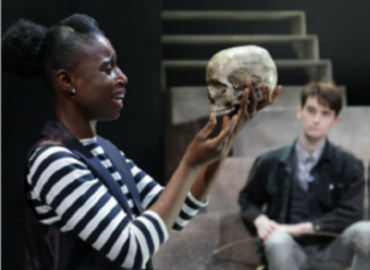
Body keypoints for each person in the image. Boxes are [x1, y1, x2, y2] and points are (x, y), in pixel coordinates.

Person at [2, 14, 280, 270]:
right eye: (107, 68)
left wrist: (230, 134)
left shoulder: (106, 152)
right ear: (66, 80)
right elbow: (132, 249)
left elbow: (178, 213)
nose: (122, 77)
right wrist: (189, 162)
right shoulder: (52, 161)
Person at [238, 82, 369, 270]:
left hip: (333, 251)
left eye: (325, 114)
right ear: (299, 112)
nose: (316, 120)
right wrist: (260, 220)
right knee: (278, 241)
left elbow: (351, 213)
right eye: (311, 110)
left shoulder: (349, 165)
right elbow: (248, 199)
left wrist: (298, 229)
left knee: (366, 233)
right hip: (288, 250)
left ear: (335, 120)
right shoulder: (270, 160)